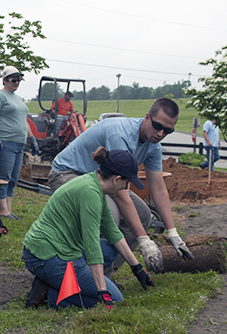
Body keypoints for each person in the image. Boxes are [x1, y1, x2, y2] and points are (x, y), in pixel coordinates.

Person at [47, 98, 193, 276]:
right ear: (147, 117)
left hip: (101, 179)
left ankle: (107, 273)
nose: (161, 133)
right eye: (157, 125)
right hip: (68, 173)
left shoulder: (153, 147)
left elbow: (158, 188)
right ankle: (87, 275)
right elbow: (122, 196)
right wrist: (144, 241)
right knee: (109, 216)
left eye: (168, 130)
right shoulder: (121, 135)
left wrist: (172, 233)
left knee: (143, 215)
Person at [23, 147, 155, 309]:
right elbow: (91, 244)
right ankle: (54, 294)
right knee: (115, 298)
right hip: (46, 256)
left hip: (62, 249)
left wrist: (137, 267)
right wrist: (102, 291)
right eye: (127, 183)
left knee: (109, 249)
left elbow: (112, 231)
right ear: (116, 179)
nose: (125, 187)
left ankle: (60, 281)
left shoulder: (95, 185)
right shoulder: (90, 193)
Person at [0, 66, 39, 220]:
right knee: (3, 176)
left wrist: (32, 138)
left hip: (19, 144)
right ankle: (3, 211)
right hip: (5, 143)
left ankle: (8, 210)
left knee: (13, 178)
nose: (16, 82)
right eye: (13, 79)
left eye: (18, 80)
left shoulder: (18, 98)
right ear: (4, 80)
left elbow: (24, 120)